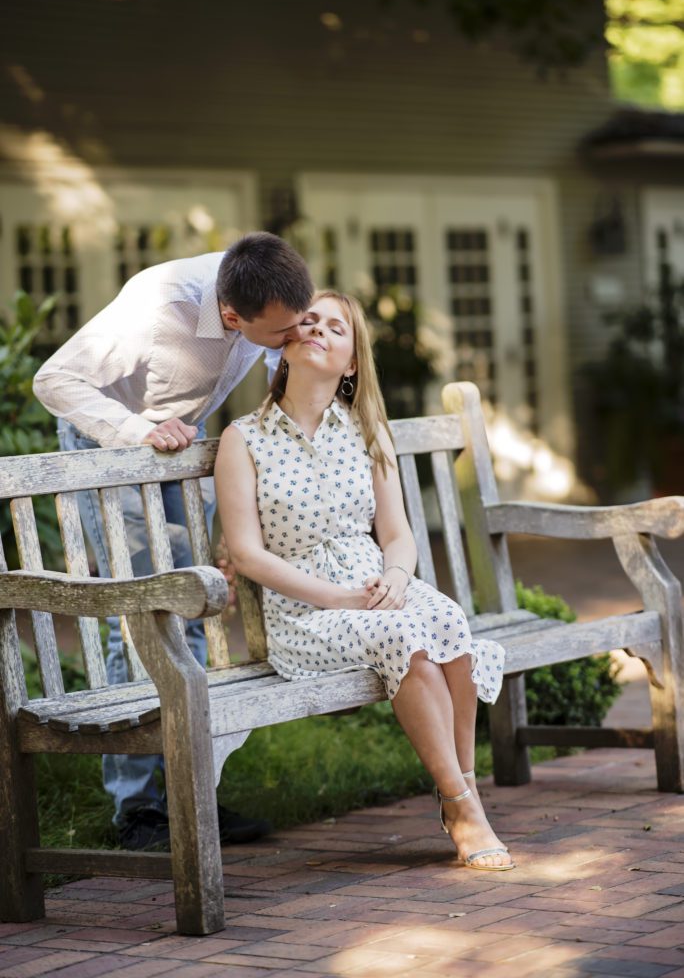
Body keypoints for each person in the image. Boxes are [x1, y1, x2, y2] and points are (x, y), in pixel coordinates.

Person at [33, 231, 314, 851]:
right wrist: (137, 431)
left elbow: (281, 366)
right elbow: (54, 381)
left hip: (182, 435)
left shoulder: (269, 293)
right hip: (113, 440)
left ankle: (189, 792)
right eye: (280, 333)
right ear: (232, 315)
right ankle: (136, 811)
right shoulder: (158, 310)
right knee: (137, 614)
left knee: (186, 610)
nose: (293, 339)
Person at [215, 290, 514, 872]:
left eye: (336, 327)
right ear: (285, 345)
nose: (318, 330)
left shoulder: (366, 430)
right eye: (309, 321)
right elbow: (247, 556)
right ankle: (460, 805)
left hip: (377, 587)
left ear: (351, 363)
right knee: (403, 636)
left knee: (449, 620)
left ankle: (464, 790)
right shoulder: (242, 439)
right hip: (304, 613)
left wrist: (397, 577)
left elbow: (398, 535)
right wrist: (339, 597)